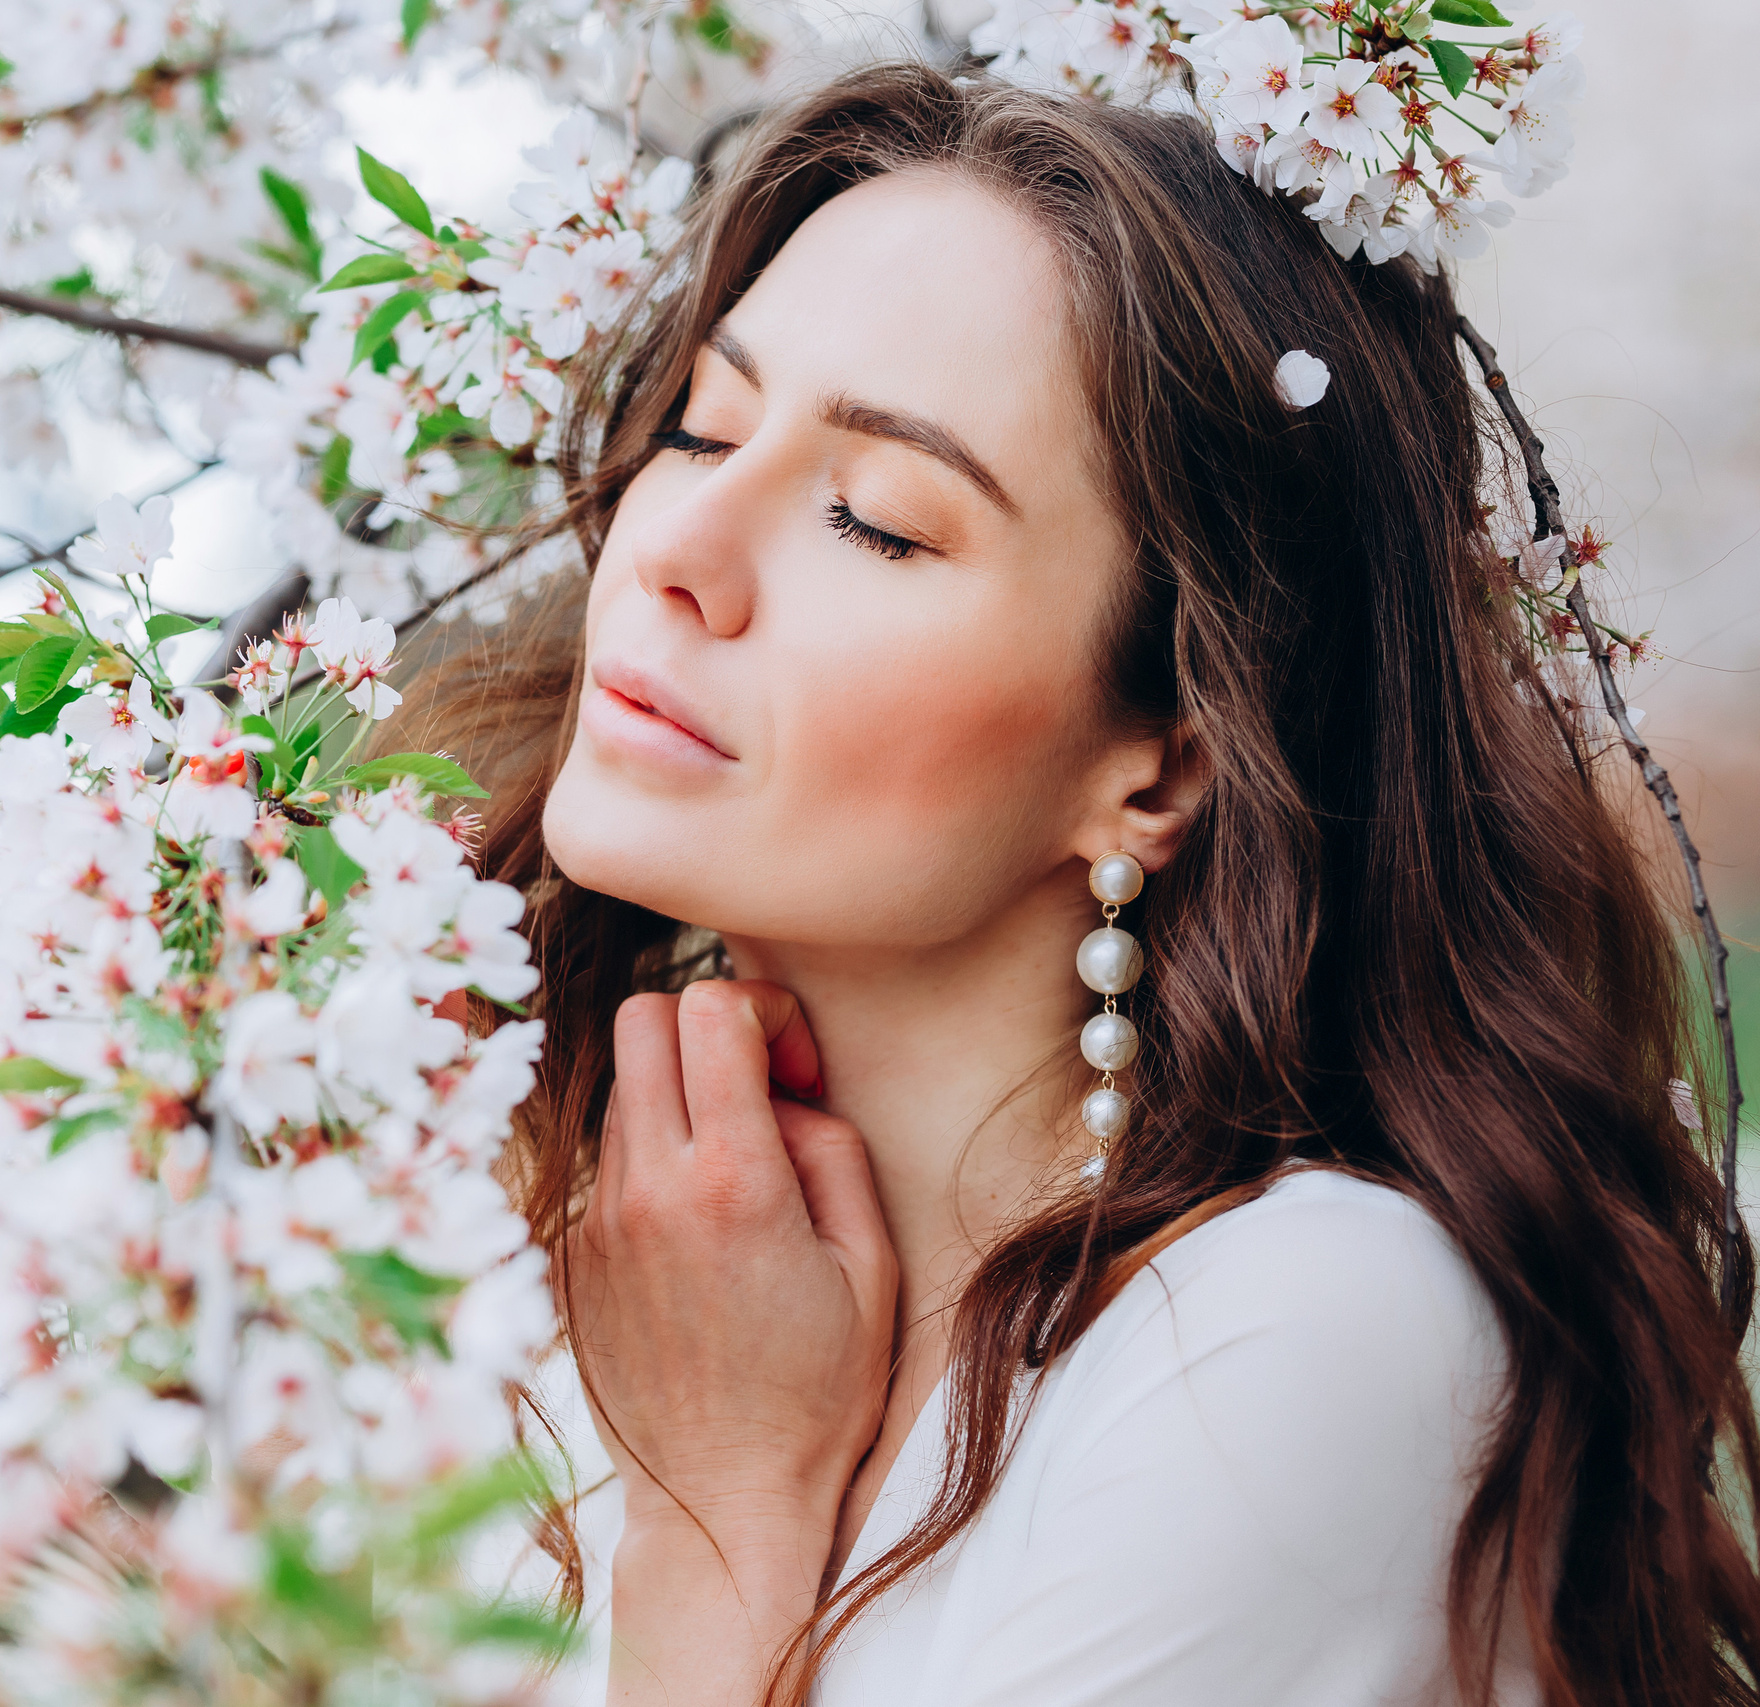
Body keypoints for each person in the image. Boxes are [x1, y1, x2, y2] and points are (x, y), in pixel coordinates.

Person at [395, 61, 1760, 1706]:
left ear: (1167, 759)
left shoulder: (1295, 1335)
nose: (680, 547)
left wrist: (721, 1518)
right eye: (704, 424)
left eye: (879, 521)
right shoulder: (571, 1277)